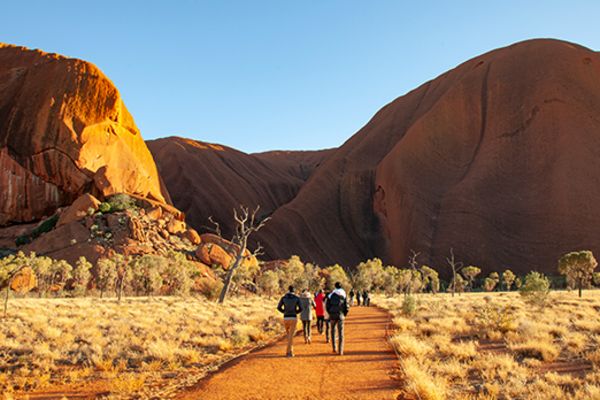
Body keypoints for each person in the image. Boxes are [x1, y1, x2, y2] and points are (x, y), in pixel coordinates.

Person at [277, 285, 303, 357]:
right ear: (294, 291)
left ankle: (290, 351)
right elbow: (301, 308)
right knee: (290, 336)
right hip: (293, 318)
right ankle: (289, 353)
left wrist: (284, 312)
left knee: (289, 336)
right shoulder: (297, 298)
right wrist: (295, 312)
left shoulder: (283, 298)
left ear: (288, 290)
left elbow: (278, 307)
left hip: (286, 318)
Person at [327, 282, 349, 355]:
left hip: (332, 315)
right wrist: (344, 314)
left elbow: (327, 306)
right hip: (340, 315)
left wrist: (330, 313)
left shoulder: (331, 295)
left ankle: (334, 348)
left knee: (332, 331)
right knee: (341, 333)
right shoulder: (343, 295)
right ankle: (340, 351)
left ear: (335, 287)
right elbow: (346, 306)